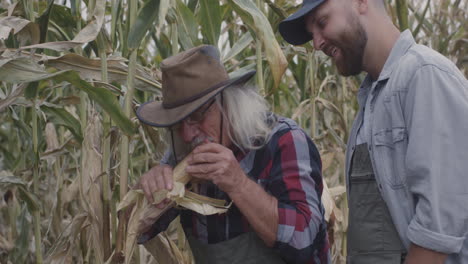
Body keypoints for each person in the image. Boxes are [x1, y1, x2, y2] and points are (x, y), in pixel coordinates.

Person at [279, 0, 468, 263]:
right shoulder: (372, 99)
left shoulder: (423, 74)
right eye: (312, 34)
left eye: (322, 23)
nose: (317, 43)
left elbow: (438, 228)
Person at [136, 45, 330, 264]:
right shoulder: (181, 153)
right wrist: (147, 195)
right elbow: (136, 233)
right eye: (177, 124)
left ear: (228, 104)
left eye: (197, 116)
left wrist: (238, 184)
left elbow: (304, 241)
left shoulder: (284, 141)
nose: (188, 135)